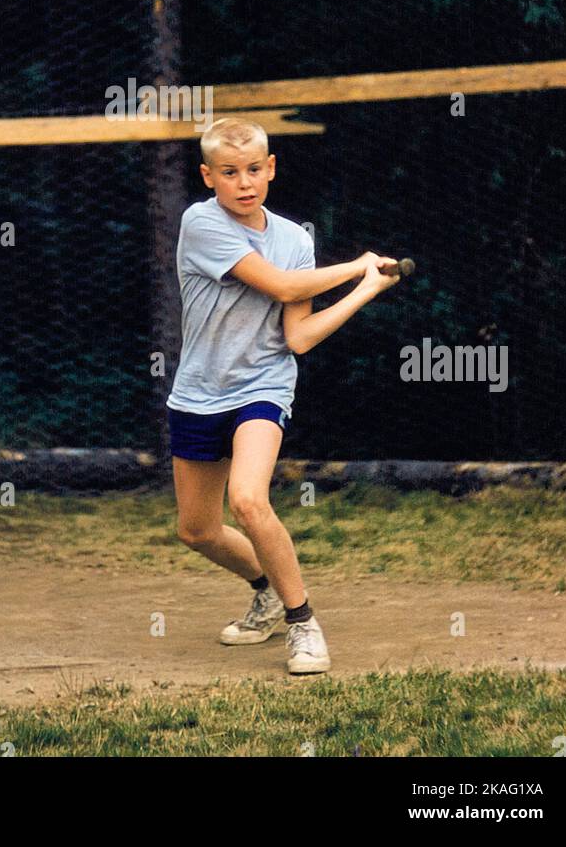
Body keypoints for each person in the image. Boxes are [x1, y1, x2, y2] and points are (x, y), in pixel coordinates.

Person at [168, 117, 398, 674]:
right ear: (208, 177)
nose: (243, 182)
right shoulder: (200, 223)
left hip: (262, 387)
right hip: (199, 392)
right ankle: (266, 591)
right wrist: (359, 267)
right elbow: (284, 287)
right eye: (229, 172)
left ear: (270, 169)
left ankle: (303, 623)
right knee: (196, 529)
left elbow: (297, 336)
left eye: (253, 169)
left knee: (248, 498)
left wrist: (364, 291)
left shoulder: (295, 239)